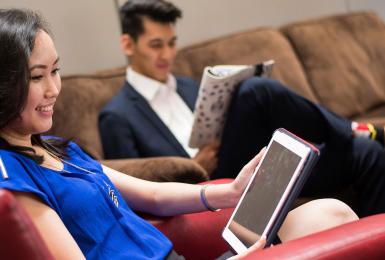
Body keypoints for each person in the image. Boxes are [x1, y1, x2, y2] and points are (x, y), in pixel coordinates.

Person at [0, 8, 359, 260]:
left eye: (56, 71)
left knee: (330, 213)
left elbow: (154, 195)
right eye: (36, 77)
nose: (53, 90)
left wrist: (231, 191)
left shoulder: (61, 150)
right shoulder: (13, 176)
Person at [99, 0, 385, 217]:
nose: (168, 54)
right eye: (156, 45)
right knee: (254, 91)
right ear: (128, 44)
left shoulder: (190, 86)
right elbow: (132, 194)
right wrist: (196, 167)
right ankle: (355, 129)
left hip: (252, 165)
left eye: (172, 43)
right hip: (213, 184)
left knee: (366, 154)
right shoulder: (117, 116)